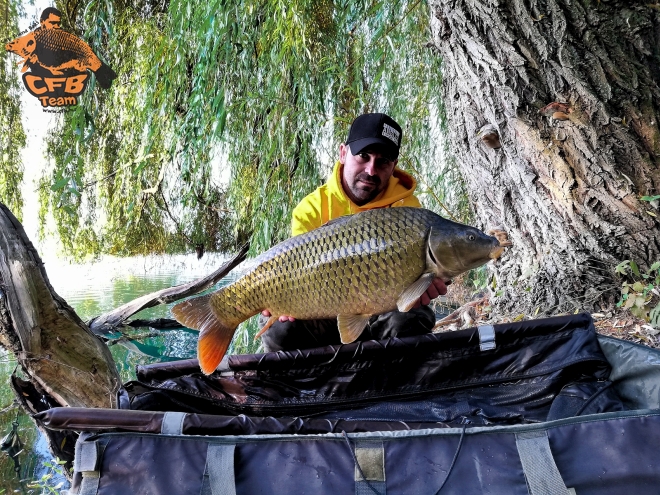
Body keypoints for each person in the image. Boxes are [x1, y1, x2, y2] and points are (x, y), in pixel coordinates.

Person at [260, 113, 450, 352]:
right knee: (281, 329)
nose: (371, 170)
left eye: (383, 161)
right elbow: (297, 272)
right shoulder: (310, 210)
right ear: (343, 153)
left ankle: (389, 385)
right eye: (363, 156)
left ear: (393, 166)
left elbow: (422, 281)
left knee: (411, 317)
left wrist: (426, 284)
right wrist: (285, 302)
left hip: (383, 310)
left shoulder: (408, 209)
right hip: (324, 310)